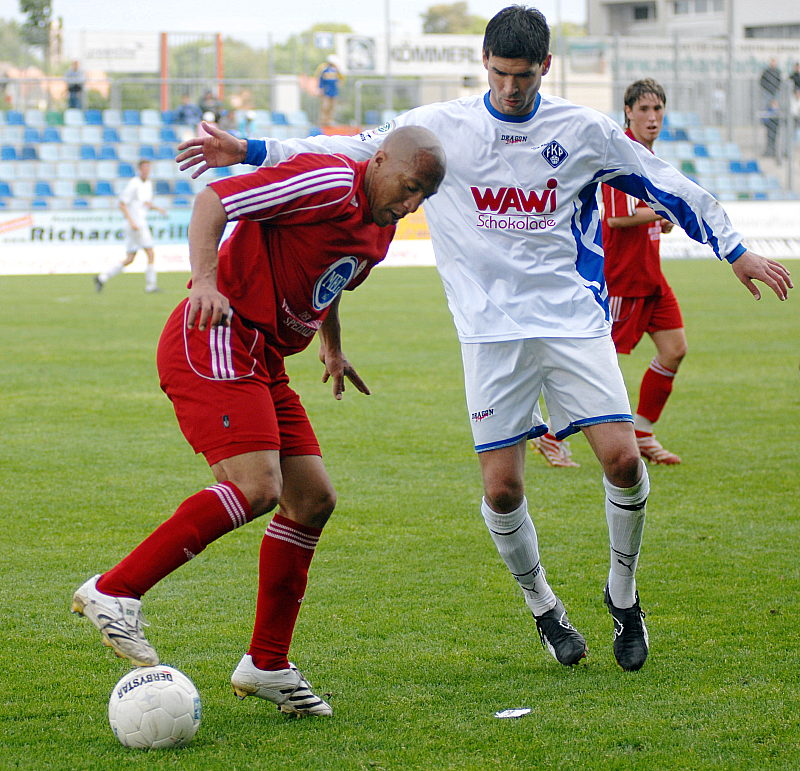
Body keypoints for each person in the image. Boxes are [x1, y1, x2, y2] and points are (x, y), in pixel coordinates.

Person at [176, 5, 792, 673]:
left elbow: (667, 183)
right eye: (499, 74)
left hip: (571, 323)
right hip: (490, 337)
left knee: (621, 460)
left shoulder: (583, 130)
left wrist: (735, 251)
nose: (508, 89)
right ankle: (544, 607)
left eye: (522, 77)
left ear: (545, 68)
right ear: (484, 65)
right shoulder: (443, 130)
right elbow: (349, 145)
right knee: (501, 490)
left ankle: (623, 595)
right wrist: (251, 149)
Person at [73, 127, 445, 716]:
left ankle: (267, 663)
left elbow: (333, 278)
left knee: (312, 499)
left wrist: (332, 346)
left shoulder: (382, 225)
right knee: (257, 487)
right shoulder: (326, 181)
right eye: (408, 187)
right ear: (378, 163)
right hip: (218, 335)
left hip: (264, 357)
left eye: (423, 194)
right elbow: (213, 201)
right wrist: (203, 279)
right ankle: (114, 590)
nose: (412, 203)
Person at [94, 160, 167, 293]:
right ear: (139, 169)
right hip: (136, 224)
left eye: (148, 168)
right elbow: (122, 203)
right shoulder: (134, 184)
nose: (147, 170)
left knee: (130, 258)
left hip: (137, 224)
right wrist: (132, 221)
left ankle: (102, 277)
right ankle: (151, 286)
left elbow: (145, 203)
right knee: (150, 252)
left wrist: (158, 209)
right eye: (144, 168)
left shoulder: (148, 184)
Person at [315, 55, 344, 126]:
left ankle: (330, 120)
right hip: (326, 92)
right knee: (325, 107)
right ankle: (323, 121)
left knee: (332, 107)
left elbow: (340, 79)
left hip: (334, 92)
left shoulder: (336, 71)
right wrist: (320, 88)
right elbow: (321, 80)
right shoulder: (324, 70)